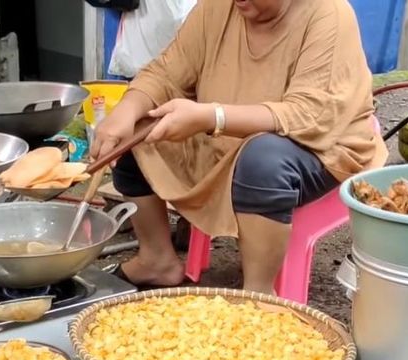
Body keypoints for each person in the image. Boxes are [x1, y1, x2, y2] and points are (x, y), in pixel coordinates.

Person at [91, 0, 386, 294]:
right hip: (224, 138)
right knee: (138, 130)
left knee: (263, 160)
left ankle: (258, 293)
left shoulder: (328, 13)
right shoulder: (218, 8)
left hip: (320, 146)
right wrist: (126, 111)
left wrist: (212, 117)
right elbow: (166, 73)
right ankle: (157, 259)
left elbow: (308, 115)